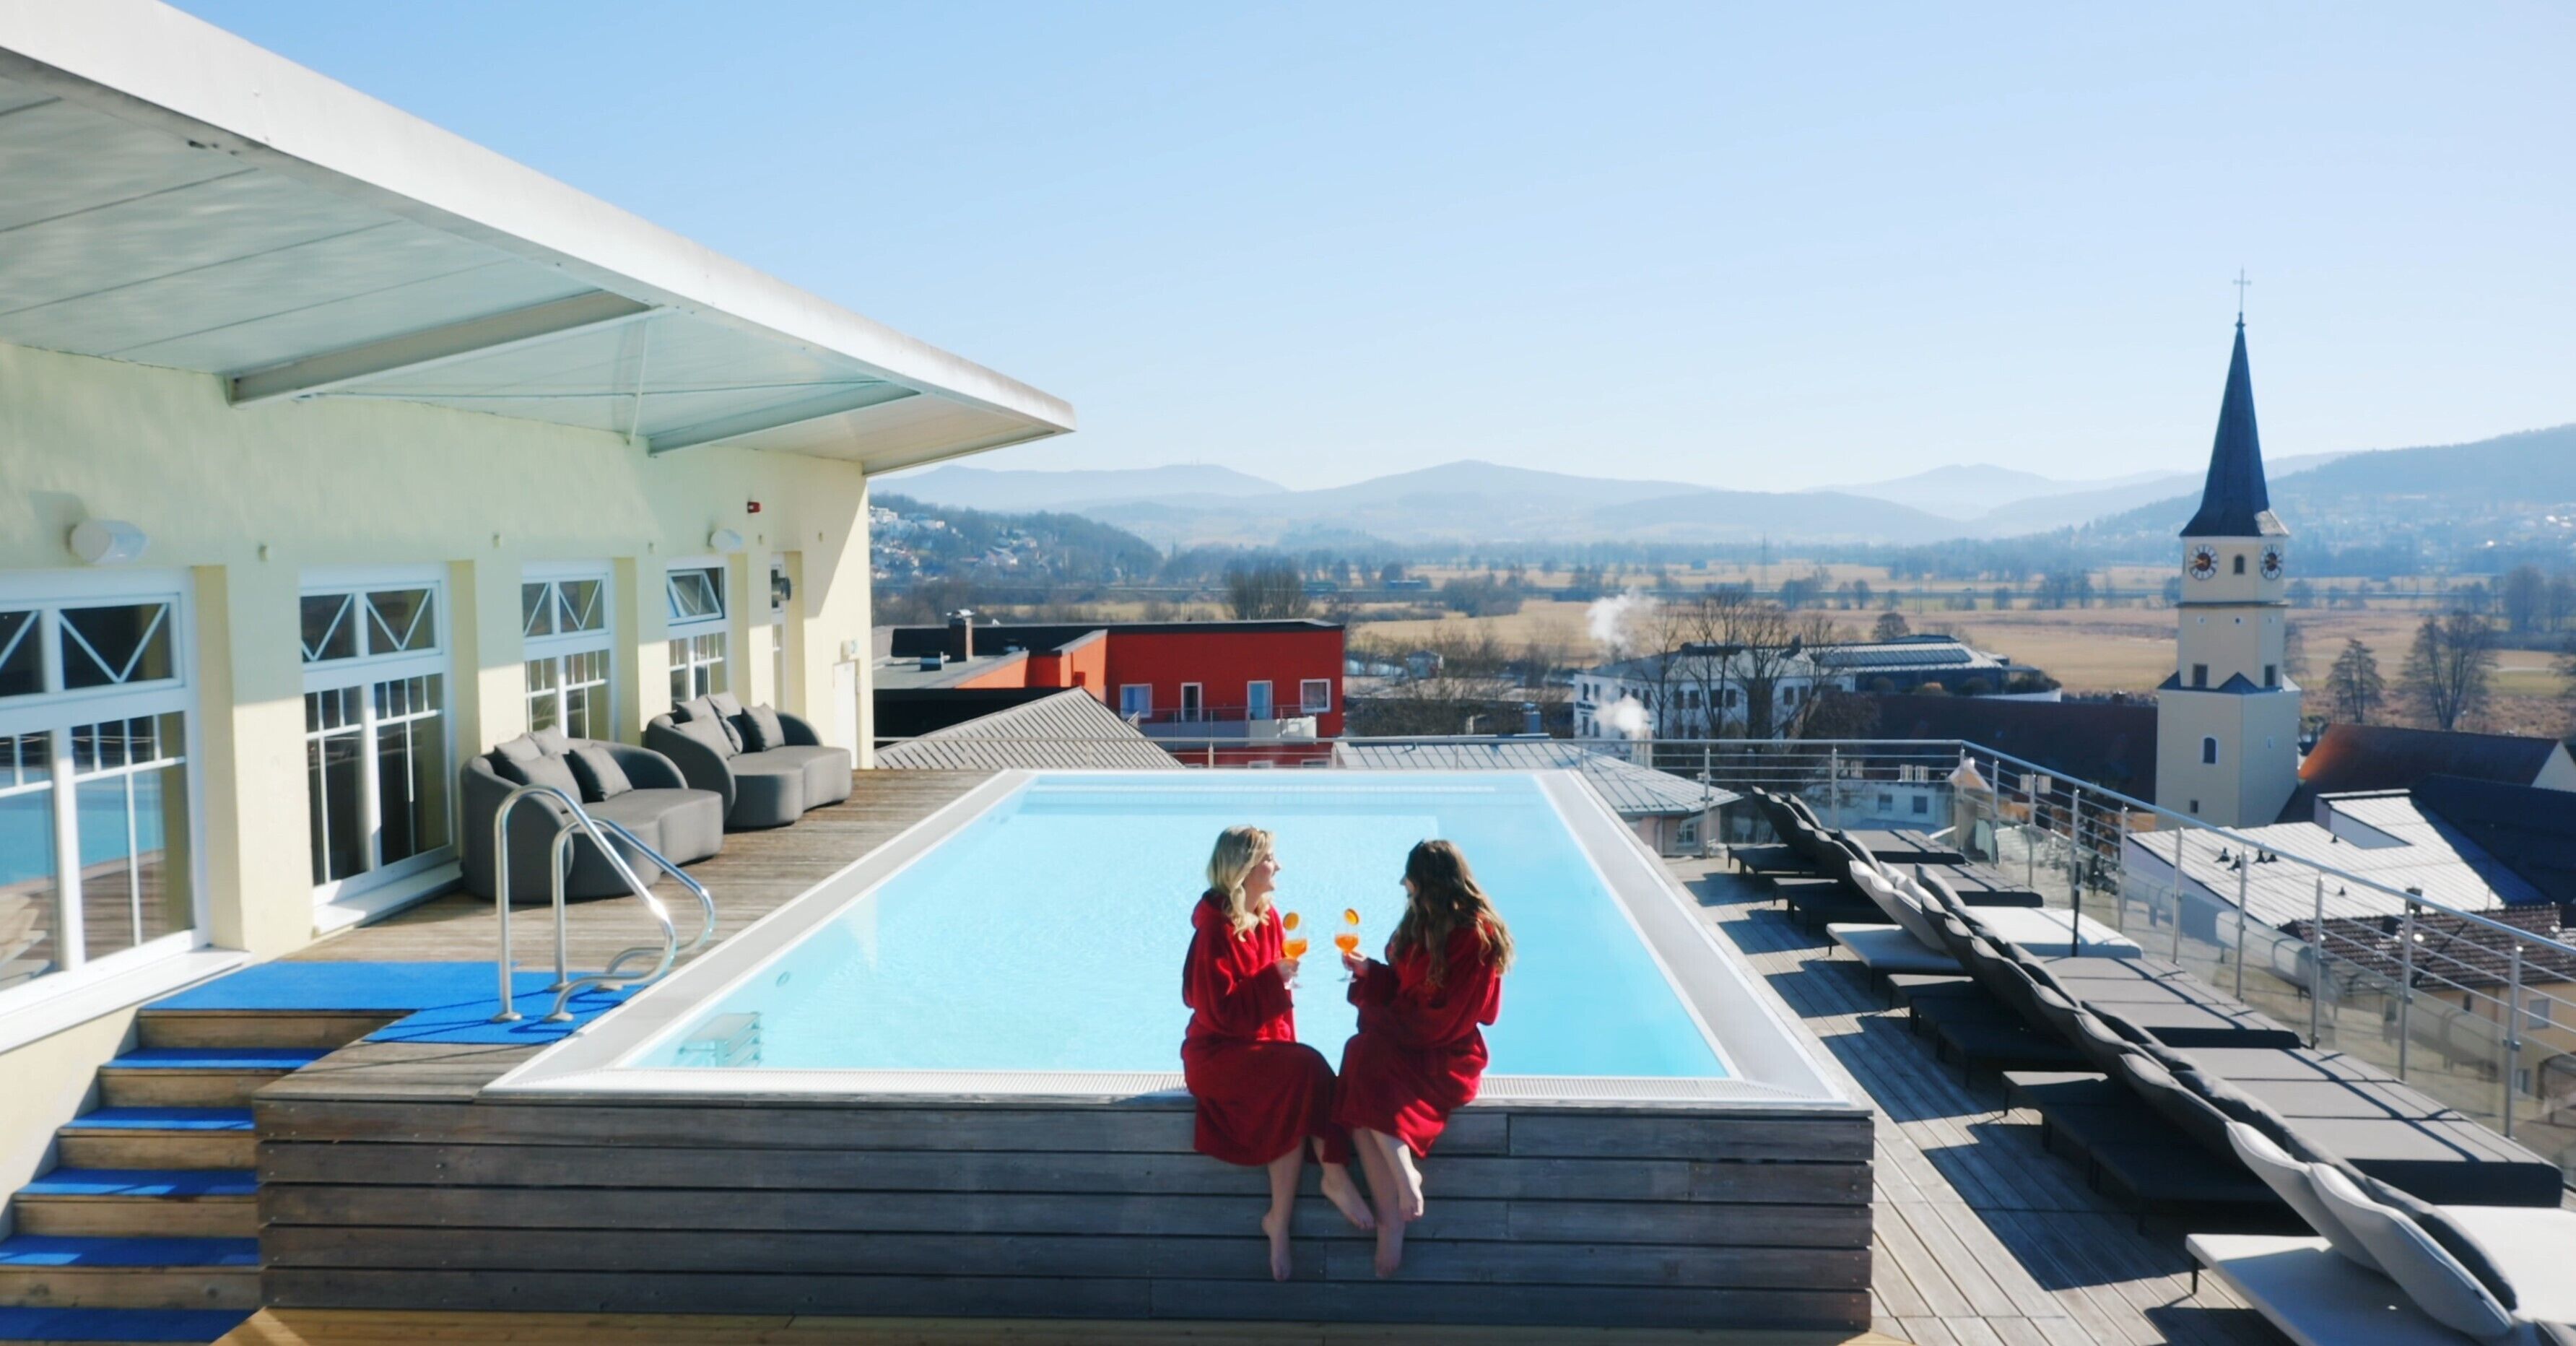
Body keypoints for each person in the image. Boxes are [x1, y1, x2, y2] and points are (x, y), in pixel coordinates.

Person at [1180, 824, 1375, 1280]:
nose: (1278, 866)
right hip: (1217, 1056)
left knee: (1296, 1082)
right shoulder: (1214, 933)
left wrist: (1277, 1000)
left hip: (1256, 1048)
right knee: (1305, 1066)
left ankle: (1278, 1223)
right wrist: (1274, 980)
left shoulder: (1268, 918)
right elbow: (1218, 1014)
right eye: (1270, 858)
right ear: (1245, 869)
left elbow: (1274, 1000)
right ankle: (1334, 1174)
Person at [1334, 838, 1513, 1277]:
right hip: (1409, 1039)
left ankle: (1405, 1180)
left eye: (1412, 881)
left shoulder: (1476, 935)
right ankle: (1391, 1218)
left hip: (1446, 1054)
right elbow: (1402, 986)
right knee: (1357, 1077)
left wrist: (1383, 1021)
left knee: (1363, 1058)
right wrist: (1370, 973)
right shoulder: (1421, 920)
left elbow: (1448, 1019)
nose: (1406, 888)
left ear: (1431, 883)